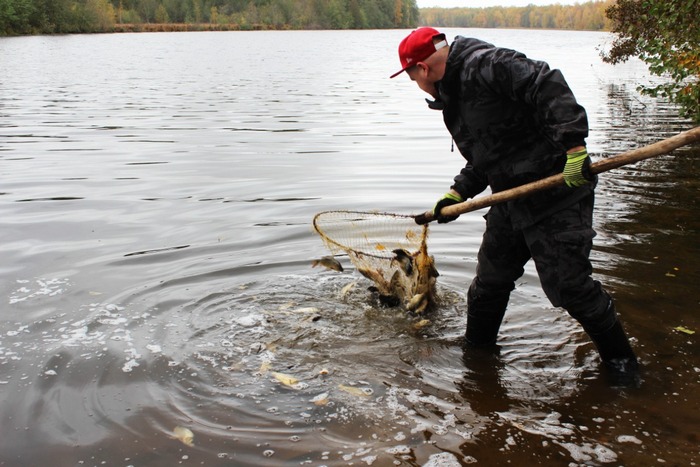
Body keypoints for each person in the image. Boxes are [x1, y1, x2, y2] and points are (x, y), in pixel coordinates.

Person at [390, 27, 639, 385]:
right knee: (488, 286)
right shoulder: (455, 95)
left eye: (411, 76)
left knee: (570, 287)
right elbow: (488, 154)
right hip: (511, 201)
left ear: (422, 70)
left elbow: (547, 82)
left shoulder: (488, 64)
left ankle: (623, 366)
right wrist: (458, 192)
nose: (415, 83)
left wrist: (573, 149)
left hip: (558, 194)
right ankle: (477, 360)